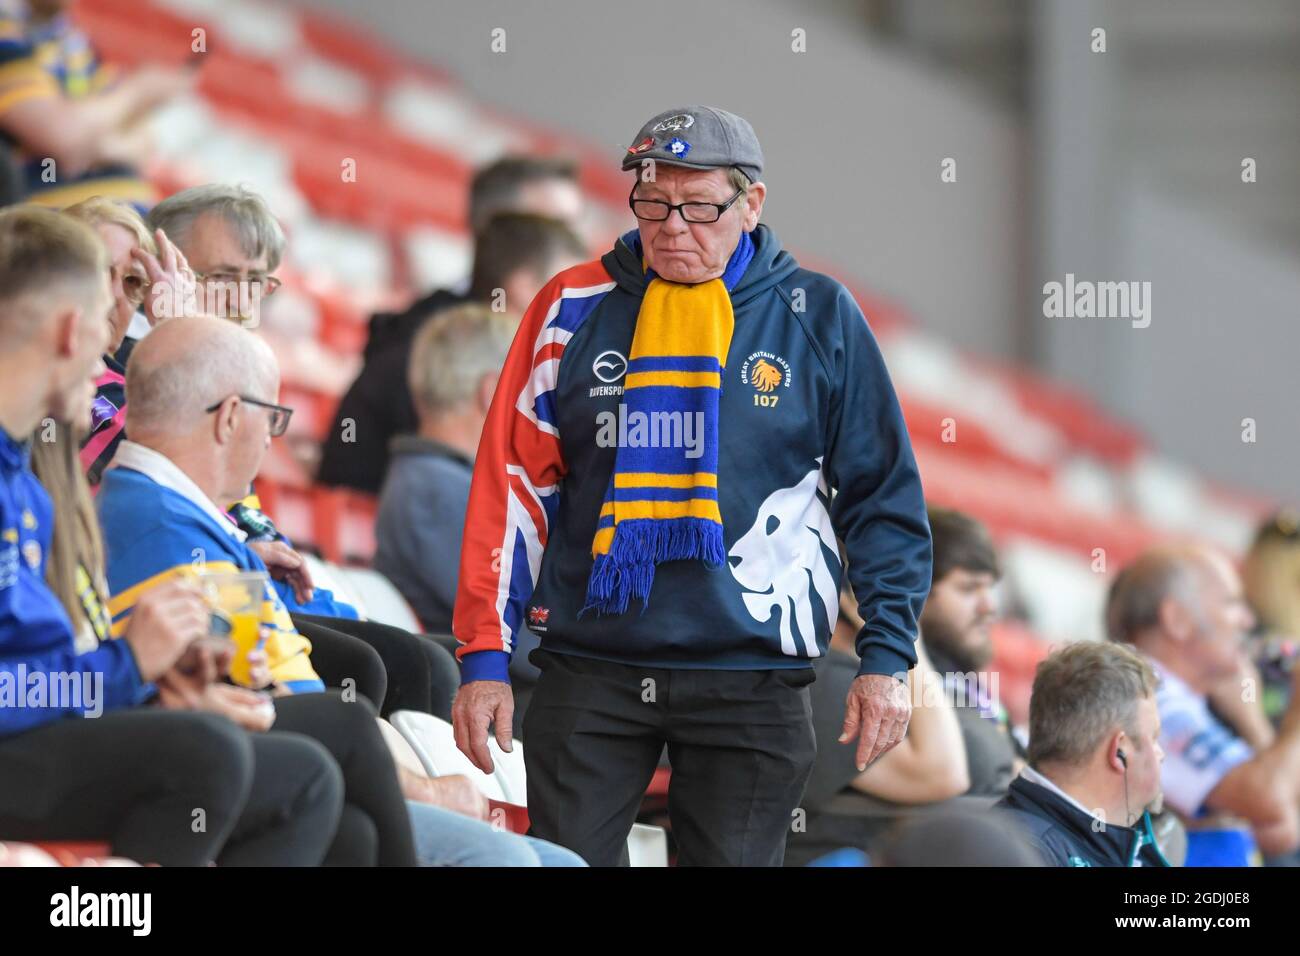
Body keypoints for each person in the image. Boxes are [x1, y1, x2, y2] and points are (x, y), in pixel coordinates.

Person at [452, 106, 932, 866]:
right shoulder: (570, 307)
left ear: (752, 205)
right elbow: (513, 487)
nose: (673, 226)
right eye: (652, 203)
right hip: (593, 662)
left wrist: (886, 658)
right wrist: (484, 655)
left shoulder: (819, 314)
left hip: (755, 674)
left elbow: (882, 500)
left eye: (700, 207)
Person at [0, 205, 343, 865]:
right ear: (74, 332)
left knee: (306, 778)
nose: (117, 350)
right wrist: (127, 668)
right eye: (110, 316)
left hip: (43, 728)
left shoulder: (26, 481)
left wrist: (154, 682)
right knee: (205, 753)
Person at [96, 315, 418, 866]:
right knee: (345, 723)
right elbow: (258, 676)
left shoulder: (182, 511)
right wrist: (429, 791)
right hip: (144, 747)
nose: (273, 441)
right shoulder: (163, 522)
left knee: (354, 834)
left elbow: (256, 658)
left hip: (185, 734)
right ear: (228, 418)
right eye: (271, 419)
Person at [148, 182, 460, 719]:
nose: (242, 304)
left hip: (251, 577)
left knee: (444, 660)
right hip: (191, 589)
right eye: (223, 278)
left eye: (256, 282)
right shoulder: (148, 379)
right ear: (165, 272)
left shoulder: (236, 377)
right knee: (396, 664)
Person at [318, 209, 586, 494]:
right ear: (524, 287)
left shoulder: (460, 346)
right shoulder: (434, 354)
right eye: (569, 292)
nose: (580, 312)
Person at [1108, 544, 1300, 858]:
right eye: (1232, 604)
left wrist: (1251, 720)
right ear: (1177, 620)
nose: (1248, 622)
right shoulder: (1143, 696)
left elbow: (1284, 827)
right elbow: (1271, 802)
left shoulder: (1195, 701)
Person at [996, 640, 1172, 867]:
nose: (1161, 754)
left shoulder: (1126, 837)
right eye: (1154, 738)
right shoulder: (1019, 854)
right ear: (1119, 752)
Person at [0, 0, 189, 209]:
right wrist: (136, 90)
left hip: (127, 218)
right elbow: (63, 135)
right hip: (60, 225)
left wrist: (90, 144)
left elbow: (144, 144)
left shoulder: (69, 36)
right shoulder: (6, 33)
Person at [62, 196, 197, 483]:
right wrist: (180, 338)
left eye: (132, 282)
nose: (116, 295)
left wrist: (178, 332)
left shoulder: (125, 392)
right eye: (99, 271)